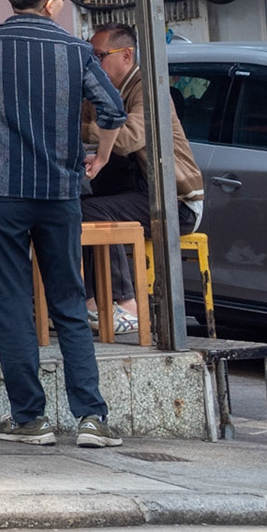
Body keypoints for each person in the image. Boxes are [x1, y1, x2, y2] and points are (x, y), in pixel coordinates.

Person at [0, 0, 128, 447]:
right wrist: (100, 156)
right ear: (52, 2)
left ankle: (30, 419)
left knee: (10, 304)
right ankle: (91, 417)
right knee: (69, 303)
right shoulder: (75, 50)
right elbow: (112, 109)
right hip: (59, 191)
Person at [81, 21, 204, 334]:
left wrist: (86, 131)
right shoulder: (97, 92)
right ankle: (91, 303)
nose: (93, 63)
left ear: (126, 55)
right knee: (72, 207)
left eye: (99, 56)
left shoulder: (149, 90)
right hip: (133, 191)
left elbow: (125, 139)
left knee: (92, 211)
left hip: (174, 200)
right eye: (89, 57)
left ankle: (127, 303)